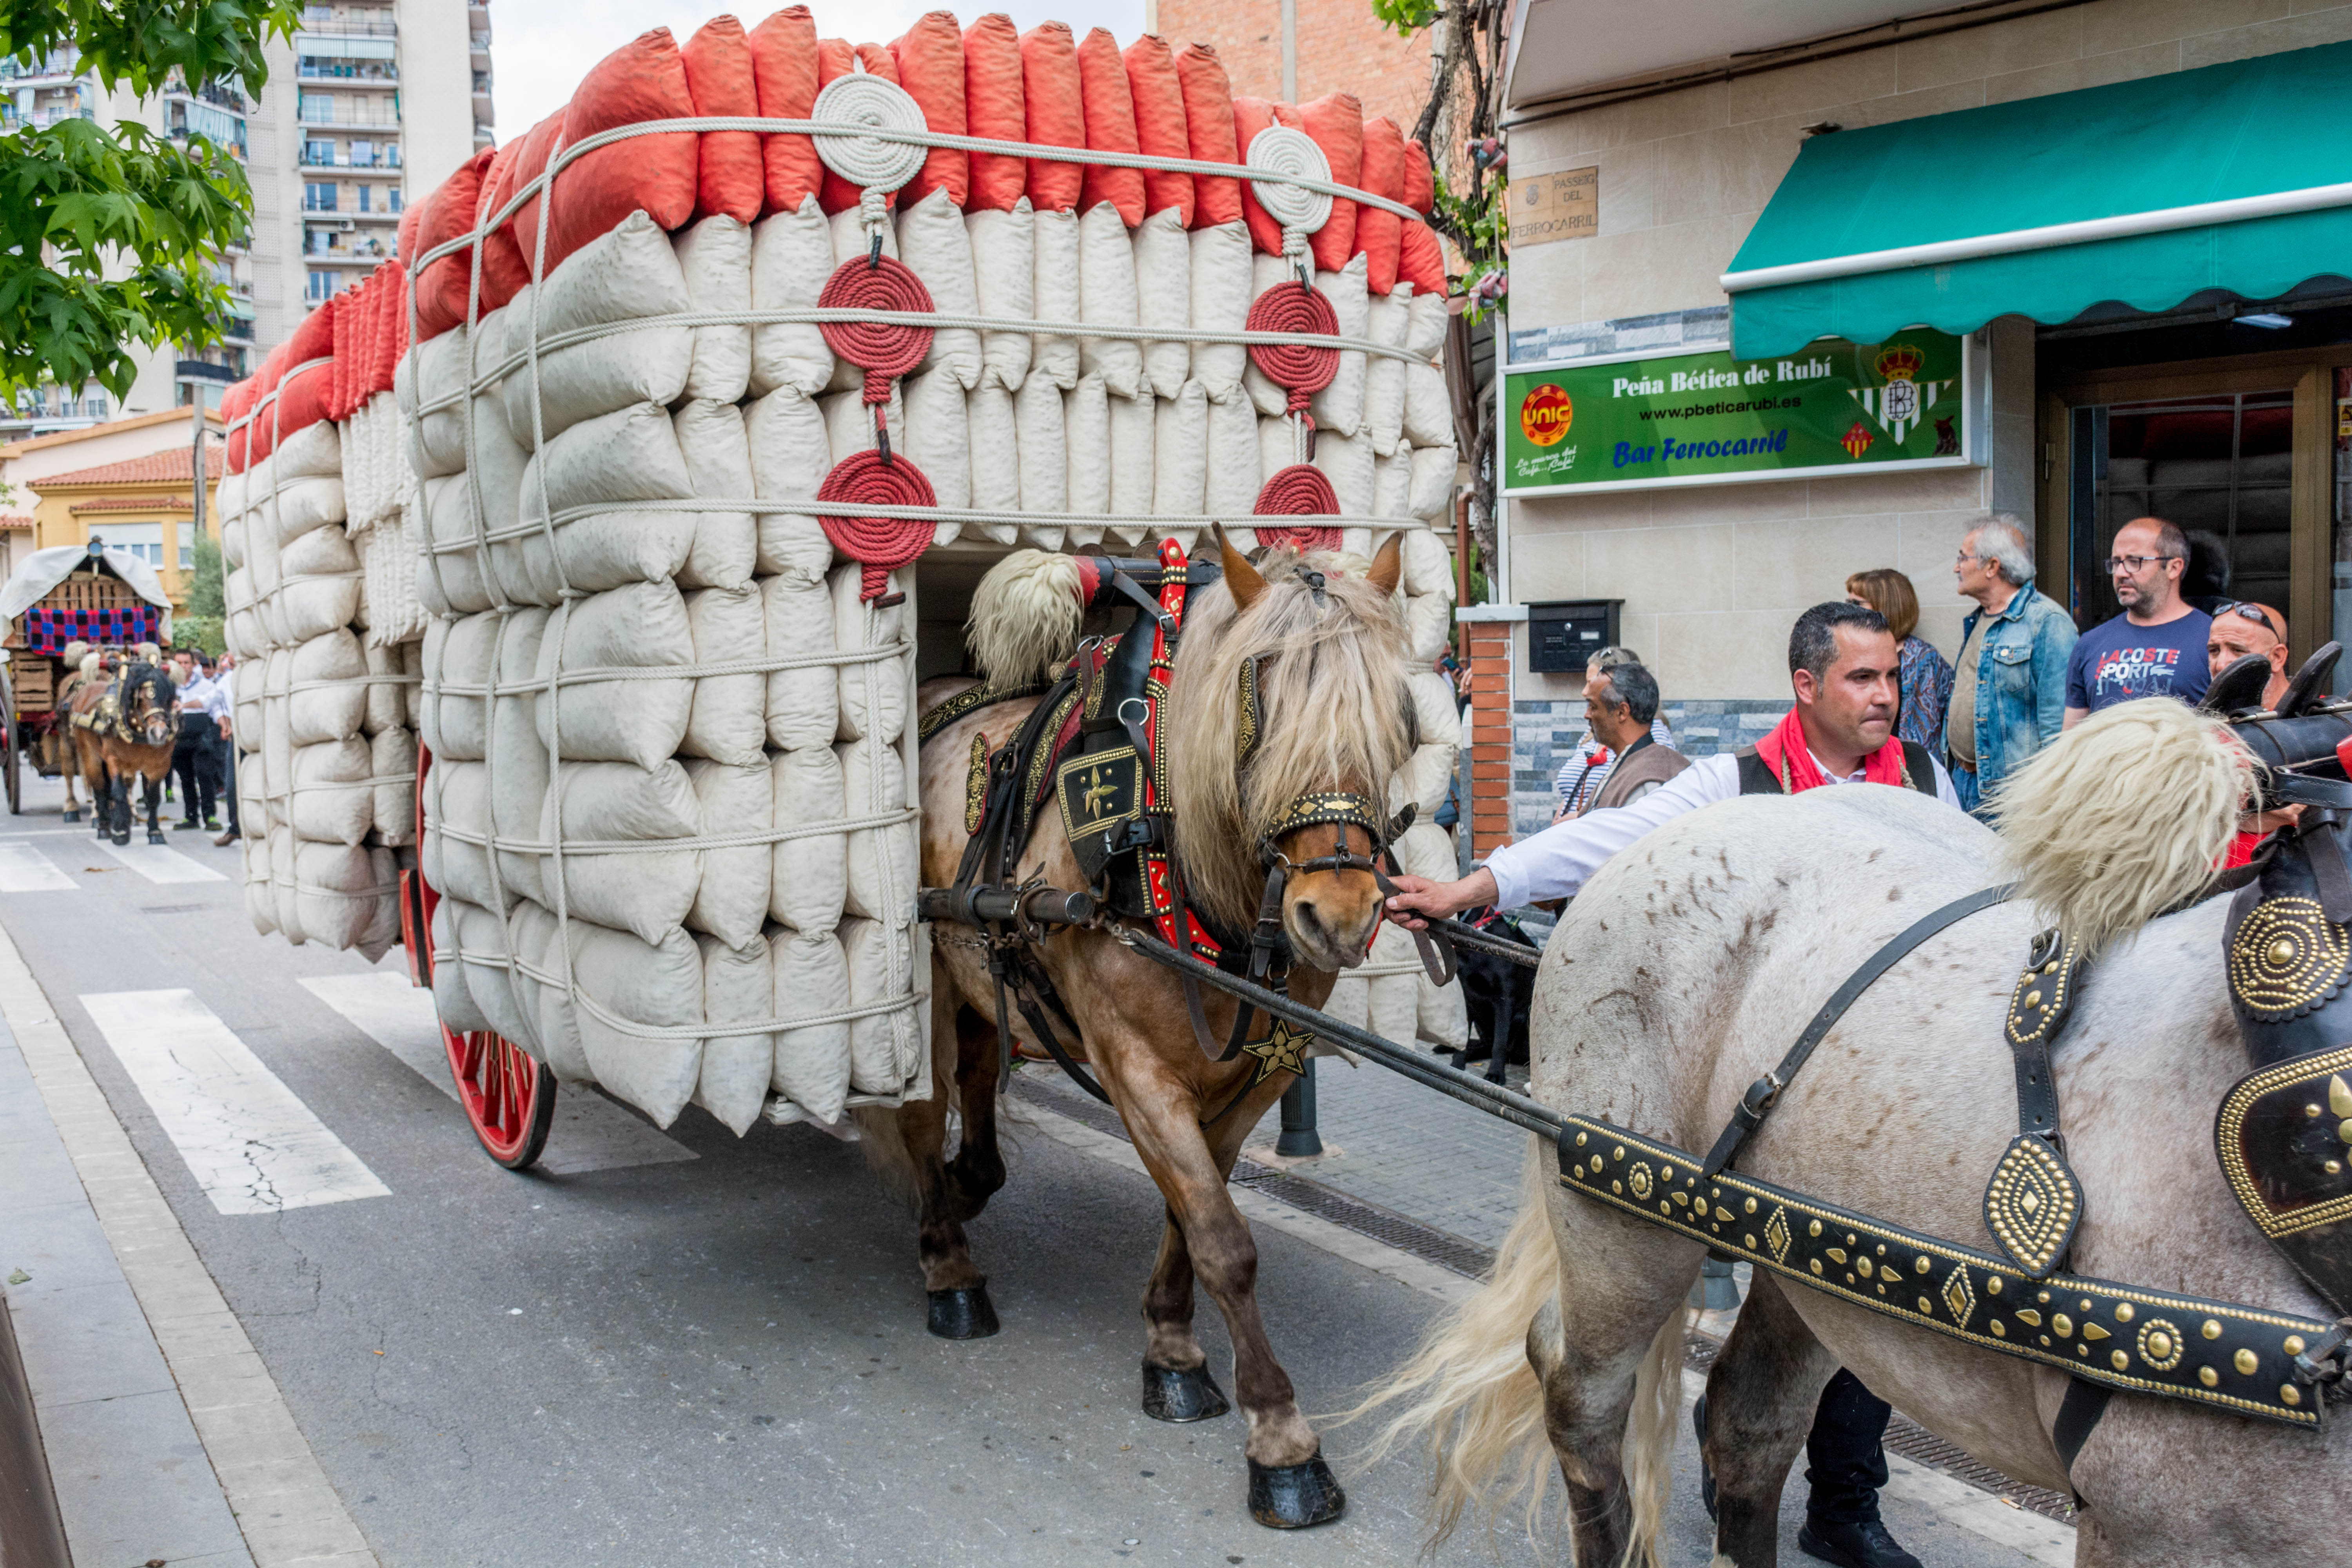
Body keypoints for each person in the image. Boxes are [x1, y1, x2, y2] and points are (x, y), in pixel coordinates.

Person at [1386, 601, 1956, 1568]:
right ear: (1806, 687)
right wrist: (1473, 889)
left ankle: (1845, 1505)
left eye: (1892, 678)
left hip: (1867, 1111)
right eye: (1863, 679)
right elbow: (1602, 846)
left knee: (1869, 1322)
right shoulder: (1734, 784)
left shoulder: (1929, 782)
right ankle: (1731, 1461)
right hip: (1754, 1098)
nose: (1886, 698)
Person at [1947, 514, 2076, 818]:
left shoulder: (2048, 623)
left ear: (1992, 566)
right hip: (1964, 784)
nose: (1957, 567)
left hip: (2012, 798)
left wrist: (2047, 803)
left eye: (1963, 558)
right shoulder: (1979, 618)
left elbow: (2057, 726)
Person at [2063, 516, 2211, 726]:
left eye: (2135, 562)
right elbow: (2071, 743)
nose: (2120, 573)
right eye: (2116, 563)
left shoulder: (2213, 640)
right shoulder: (2090, 644)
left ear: (2174, 568)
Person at [1552, 646, 1675, 821]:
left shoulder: (1652, 739)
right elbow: (1574, 788)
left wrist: (1578, 820)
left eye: (1591, 683)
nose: (1585, 691)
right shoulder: (1593, 733)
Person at [1844, 568, 1951, 758]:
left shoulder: (1923, 658)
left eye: (1856, 603)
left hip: (1903, 764)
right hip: (1857, 759)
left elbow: (1938, 723)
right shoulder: (1850, 651)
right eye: (1848, 602)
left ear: (1885, 606)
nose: (1848, 610)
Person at [1580, 662, 1687, 810]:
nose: (1587, 715)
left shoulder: (1649, 782)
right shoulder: (1632, 761)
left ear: (1622, 712)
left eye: (1593, 707)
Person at [168, 650, 220, 830]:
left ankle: (210, 817)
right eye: (179, 663)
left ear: (193, 664)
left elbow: (215, 709)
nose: (183, 667)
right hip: (178, 738)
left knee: (206, 776)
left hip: (202, 736)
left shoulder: (206, 686)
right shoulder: (168, 687)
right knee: (185, 778)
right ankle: (190, 817)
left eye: (187, 663)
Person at [2207, 600, 2291, 710]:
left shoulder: (2313, 716)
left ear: (2277, 658)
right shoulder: (2208, 721)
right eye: (2214, 651)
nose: (2221, 666)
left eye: (2238, 651)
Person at [213, 651, 240, 846]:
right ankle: (235, 829)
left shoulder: (264, 676)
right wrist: (224, 724)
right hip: (237, 740)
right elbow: (215, 704)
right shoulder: (226, 681)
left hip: (263, 738)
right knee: (232, 786)